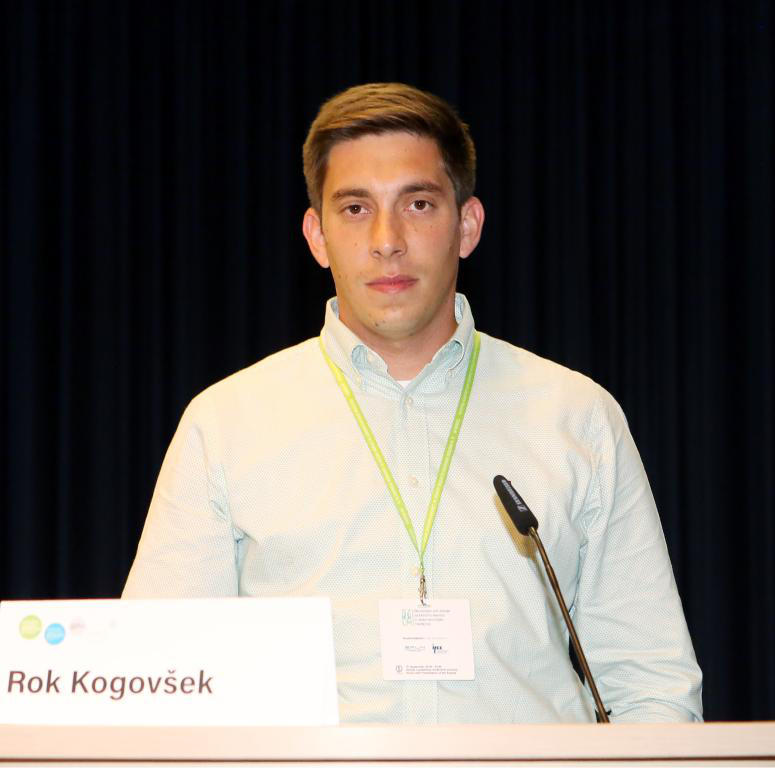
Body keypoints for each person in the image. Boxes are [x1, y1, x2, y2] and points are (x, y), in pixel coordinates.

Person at [122, 83, 702, 723]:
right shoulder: (226, 425)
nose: (387, 239)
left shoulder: (577, 416)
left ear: (467, 225)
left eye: (419, 204)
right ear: (317, 237)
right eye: (355, 208)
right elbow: (158, 684)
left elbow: (651, 688)